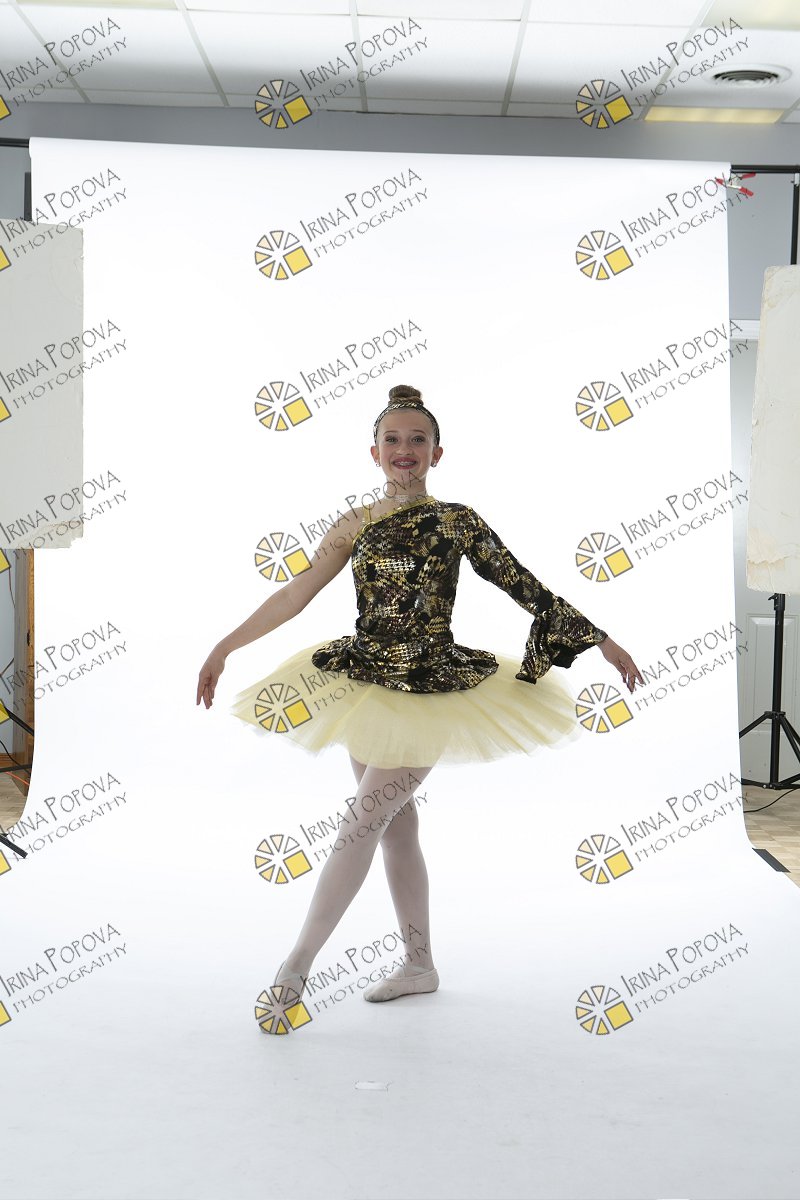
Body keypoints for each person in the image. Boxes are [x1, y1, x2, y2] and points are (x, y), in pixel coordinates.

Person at [196, 384, 643, 1031]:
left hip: (432, 684)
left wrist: (600, 639)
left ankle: (295, 969)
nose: (404, 449)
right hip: (364, 680)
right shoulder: (354, 523)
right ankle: (419, 965)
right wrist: (224, 646)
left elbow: (522, 583)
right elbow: (295, 594)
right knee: (394, 827)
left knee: (361, 823)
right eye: (393, 439)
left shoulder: (458, 521)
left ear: (437, 452)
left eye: (417, 440)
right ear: (373, 451)